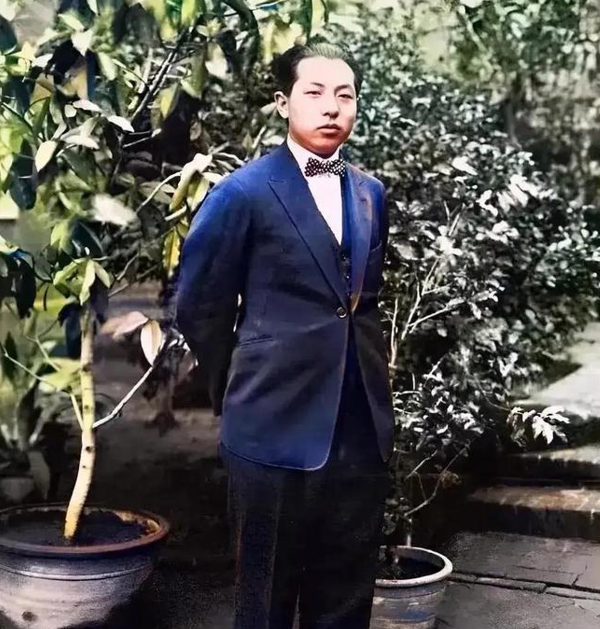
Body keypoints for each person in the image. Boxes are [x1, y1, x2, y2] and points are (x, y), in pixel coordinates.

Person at [176, 42, 395, 629]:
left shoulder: (370, 194)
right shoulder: (241, 193)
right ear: (282, 103)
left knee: (346, 601)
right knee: (265, 602)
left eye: (345, 95)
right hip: (270, 430)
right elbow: (199, 307)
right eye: (314, 93)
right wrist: (239, 387)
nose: (331, 107)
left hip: (358, 432)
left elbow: (362, 305)